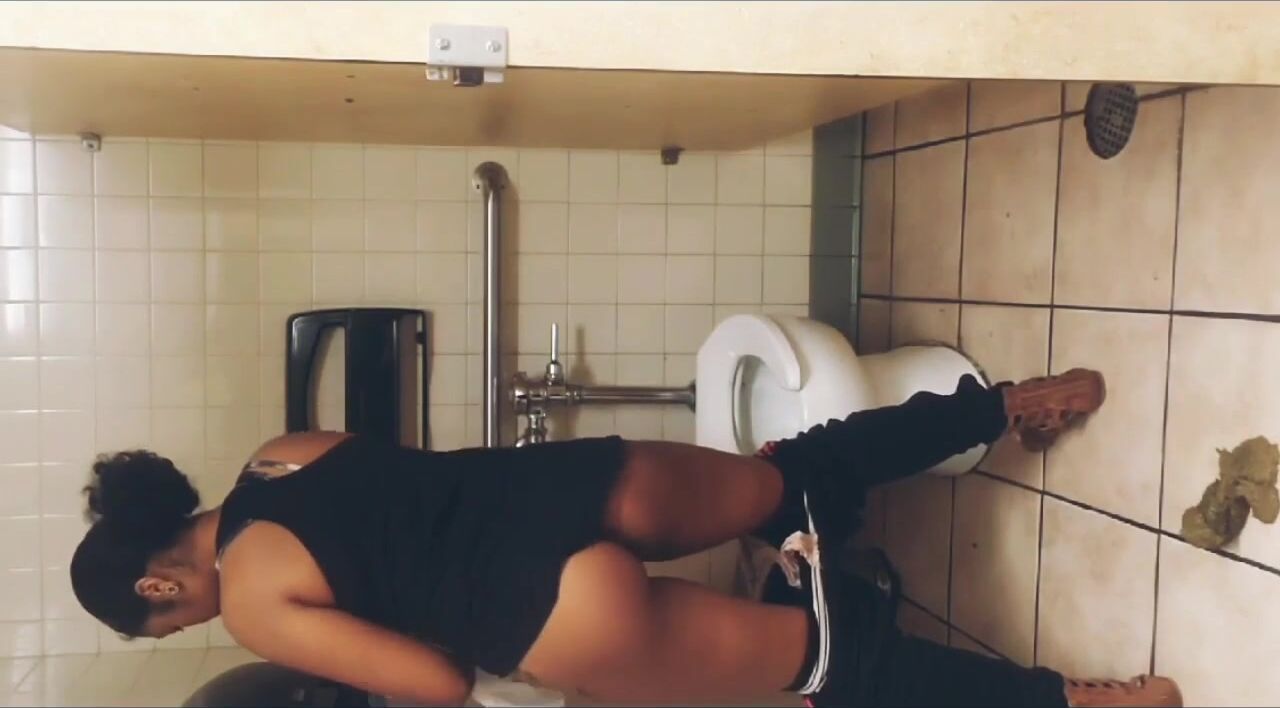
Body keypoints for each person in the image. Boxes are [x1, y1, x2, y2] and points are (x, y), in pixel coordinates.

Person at [70, 369, 1181, 707]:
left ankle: (1090, 705)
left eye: (166, 622)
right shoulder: (280, 453)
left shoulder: (255, 603)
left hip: (546, 613)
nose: (190, 624)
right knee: (797, 471)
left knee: (831, 670)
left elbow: (439, 683)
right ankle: (1006, 407)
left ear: (160, 584)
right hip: (575, 484)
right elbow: (404, 497)